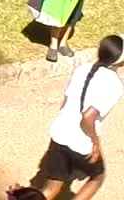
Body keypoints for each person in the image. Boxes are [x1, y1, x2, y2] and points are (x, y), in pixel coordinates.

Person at [35, 33, 124, 199]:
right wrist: (95, 142)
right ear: (120, 61)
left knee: (51, 187)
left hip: (60, 133)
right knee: (97, 176)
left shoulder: (82, 69)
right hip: (81, 142)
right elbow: (88, 117)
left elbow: (65, 102)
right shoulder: (115, 85)